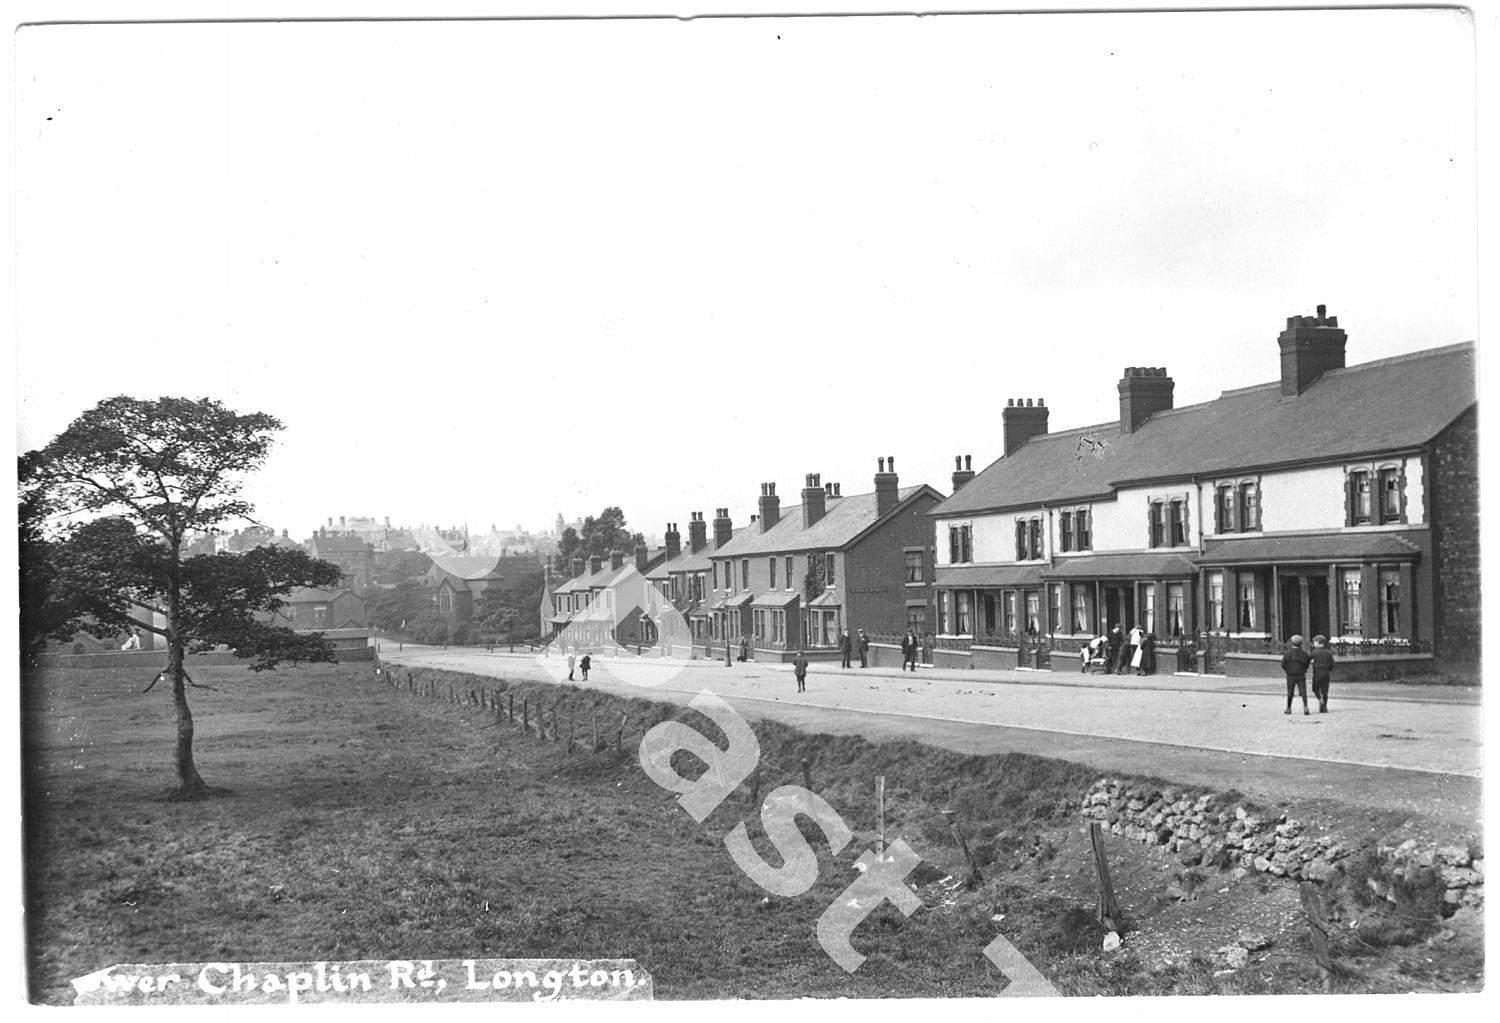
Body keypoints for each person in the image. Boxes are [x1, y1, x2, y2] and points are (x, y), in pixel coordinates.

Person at [1281, 635, 1311, 715]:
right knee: (1303, 691)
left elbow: (1283, 664)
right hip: (1301, 674)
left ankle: (1288, 708)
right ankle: (1305, 706)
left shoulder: (1288, 653)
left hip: (1291, 675)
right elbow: (1307, 664)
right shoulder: (1304, 653)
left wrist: (1288, 670)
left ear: (1292, 643)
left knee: (1290, 691)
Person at [1310, 635, 1336, 712]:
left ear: (1318, 643)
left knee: (1315, 689)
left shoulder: (1314, 652)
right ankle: (1324, 707)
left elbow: (1308, 659)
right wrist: (1329, 669)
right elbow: (1332, 664)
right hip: (1326, 673)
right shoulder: (1328, 652)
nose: (1314, 644)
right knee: (1325, 691)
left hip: (1317, 673)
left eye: (1314, 642)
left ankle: (1320, 699)